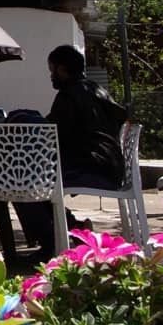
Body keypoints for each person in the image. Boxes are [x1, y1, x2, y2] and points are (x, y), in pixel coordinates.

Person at [13, 44, 127, 256]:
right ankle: (74, 230)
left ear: (62, 70)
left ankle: (51, 244)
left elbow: (51, 137)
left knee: (21, 181)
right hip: (108, 166)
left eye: (52, 70)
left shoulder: (69, 95)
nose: (51, 76)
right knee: (37, 178)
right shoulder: (95, 90)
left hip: (92, 168)